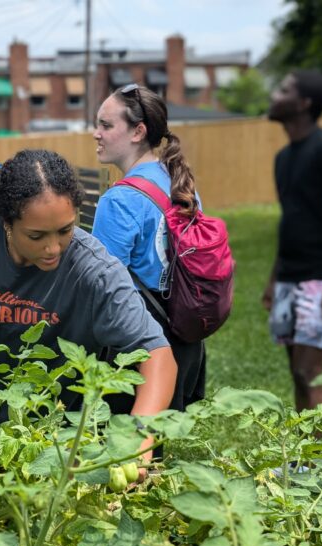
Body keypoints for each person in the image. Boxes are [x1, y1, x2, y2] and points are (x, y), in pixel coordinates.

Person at [0, 149, 176, 461]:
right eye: (36, 236)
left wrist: (139, 441)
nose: (53, 248)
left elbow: (159, 355)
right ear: (6, 223)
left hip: (63, 437)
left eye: (65, 230)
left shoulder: (96, 273)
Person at [91, 83, 206, 412]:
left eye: (106, 125)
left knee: (129, 452)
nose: (96, 133)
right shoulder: (180, 183)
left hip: (138, 347)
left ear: (138, 131)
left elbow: (102, 286)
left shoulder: (119, 199)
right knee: (157, 452)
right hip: (184, 338)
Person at [262, 70, 322, 411]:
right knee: (297, 373)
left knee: (309, 372)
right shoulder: (283, 159)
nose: (275, 94)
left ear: (304, 103)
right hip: (291, 275)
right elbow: (292, 219)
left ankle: (319, 462)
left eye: (284, 89)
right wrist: (276, 277)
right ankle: (304, 463)